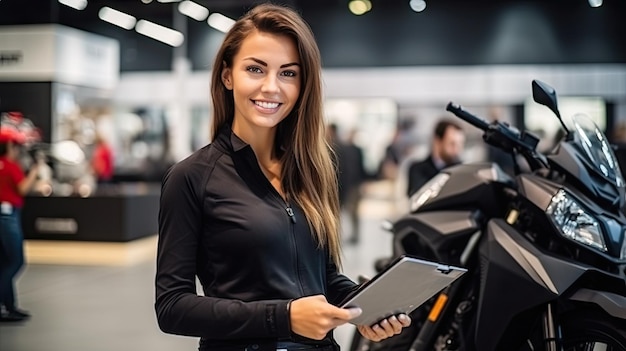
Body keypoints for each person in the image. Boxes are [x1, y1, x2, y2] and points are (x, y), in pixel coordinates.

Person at [155, 3, 411, 351]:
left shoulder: (312, 171)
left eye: (288, 73)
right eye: (255, 69)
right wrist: (284, 316)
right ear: (227, 76)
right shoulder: (191, 177)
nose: (272, 87)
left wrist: (363, 307)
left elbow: (324, 278)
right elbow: (172, 307)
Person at [0, 127, 38, 322]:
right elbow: (23, 188)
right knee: (16, 261)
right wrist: (34, 171)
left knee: (4, 262)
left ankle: (9, 307)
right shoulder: (10, 165)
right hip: (8, 216)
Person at [327, 124, 366, 245]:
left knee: (349, 211)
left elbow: (349, 168)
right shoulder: (338, 146)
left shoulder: (337, 147)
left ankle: (346, 236)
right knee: (341, 212)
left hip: (346, 185)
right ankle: (337, 236)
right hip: (346, 185)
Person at [406, 119, 465, 197]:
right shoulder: (417, 169)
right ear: (437, 141)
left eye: (460, 144)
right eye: (452, 144)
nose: (457, 150)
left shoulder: (462, 170)